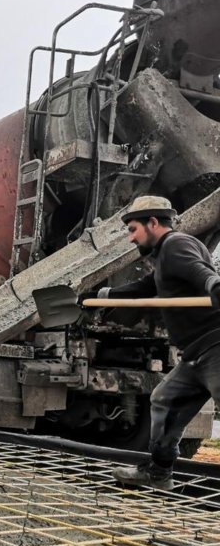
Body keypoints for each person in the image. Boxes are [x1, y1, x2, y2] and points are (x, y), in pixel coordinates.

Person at [93, 195, 220, 491]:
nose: (130, 238)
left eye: (133, 229)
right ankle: (158, 473)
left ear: (153, 222)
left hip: (215, 347)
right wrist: (103, 295)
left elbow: (200, 272)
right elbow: (145, 288)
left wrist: (214, 285)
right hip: (195, 355)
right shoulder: (163, 255)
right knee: (163, 399)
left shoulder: (176, 245)